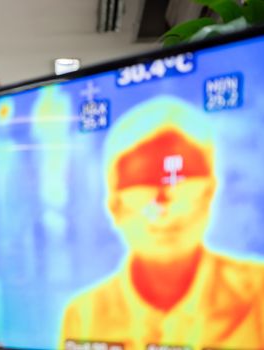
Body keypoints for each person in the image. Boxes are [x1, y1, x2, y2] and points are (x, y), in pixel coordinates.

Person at [60, 96, 264, 349]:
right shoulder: (84, 315)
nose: (164, 210)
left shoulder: (259, 293)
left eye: (183, 189)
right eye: (143, 192)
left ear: (210, 193)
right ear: (114, 207)